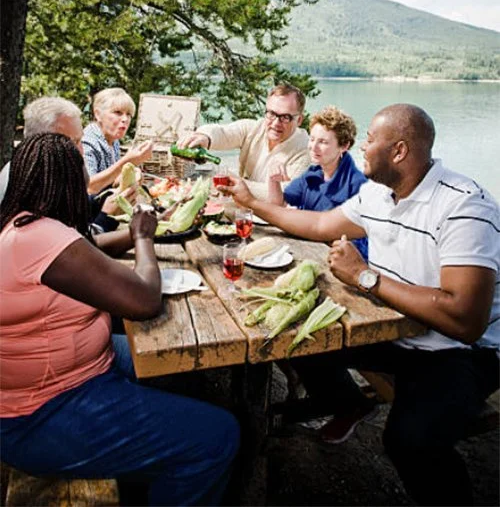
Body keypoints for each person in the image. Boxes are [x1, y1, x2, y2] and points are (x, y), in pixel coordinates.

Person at [221, 103, 499, 507]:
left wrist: (366, 277)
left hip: (460, 352)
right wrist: (254, 204)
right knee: (297, 338)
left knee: (410, 441)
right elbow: (318, 225)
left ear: (399, 151)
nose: (363, 147)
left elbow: (465, 320)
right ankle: (349, 404)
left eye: (369, 139)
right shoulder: (378, 194)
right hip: (394, 329)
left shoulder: (464, 208)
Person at [0, 133, 240, 506]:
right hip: (40, 415)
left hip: (77, 372)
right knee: (218, 436)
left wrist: (130, 233)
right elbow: (144, 301)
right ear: (65, 180)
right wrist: (145, 238)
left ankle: (149, 472)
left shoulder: (26, 225)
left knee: (178, 368)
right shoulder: (39, 238)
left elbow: (87, 251)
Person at [0, 96, 128, 233]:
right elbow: (69, 244)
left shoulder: (40, 169)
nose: (81, 150)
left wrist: (101, 203)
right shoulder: (34, 179)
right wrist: (106, 219)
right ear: (46, 141)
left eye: (80, 141)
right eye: (72, 142)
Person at [267, 105, 368, 260]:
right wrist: (273, 178)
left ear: (344, 146)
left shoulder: (360, 187)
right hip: (304, 253)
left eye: (323, 142)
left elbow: (361, 248)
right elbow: (278, 205)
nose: (313, 147)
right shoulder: (312, 174)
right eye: (312, 139)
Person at [178, 83, 310, 199]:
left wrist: (233, 181)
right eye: (271, 114)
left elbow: (286, 193)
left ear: (299, 120)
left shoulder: (307, 151)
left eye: (285, 117)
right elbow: (224, 133)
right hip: (242, 211)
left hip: (273, 222)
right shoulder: (253, 128)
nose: (276, 123)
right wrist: (204, 137)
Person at [82, 87, 153, 194]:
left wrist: (130, 173)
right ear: (97, 114)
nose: (125, 119)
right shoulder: (87, 142)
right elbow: (88, 187)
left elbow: (111, 180)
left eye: (129, 114)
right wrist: (126, 162)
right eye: (118, 112)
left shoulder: (113, 140)